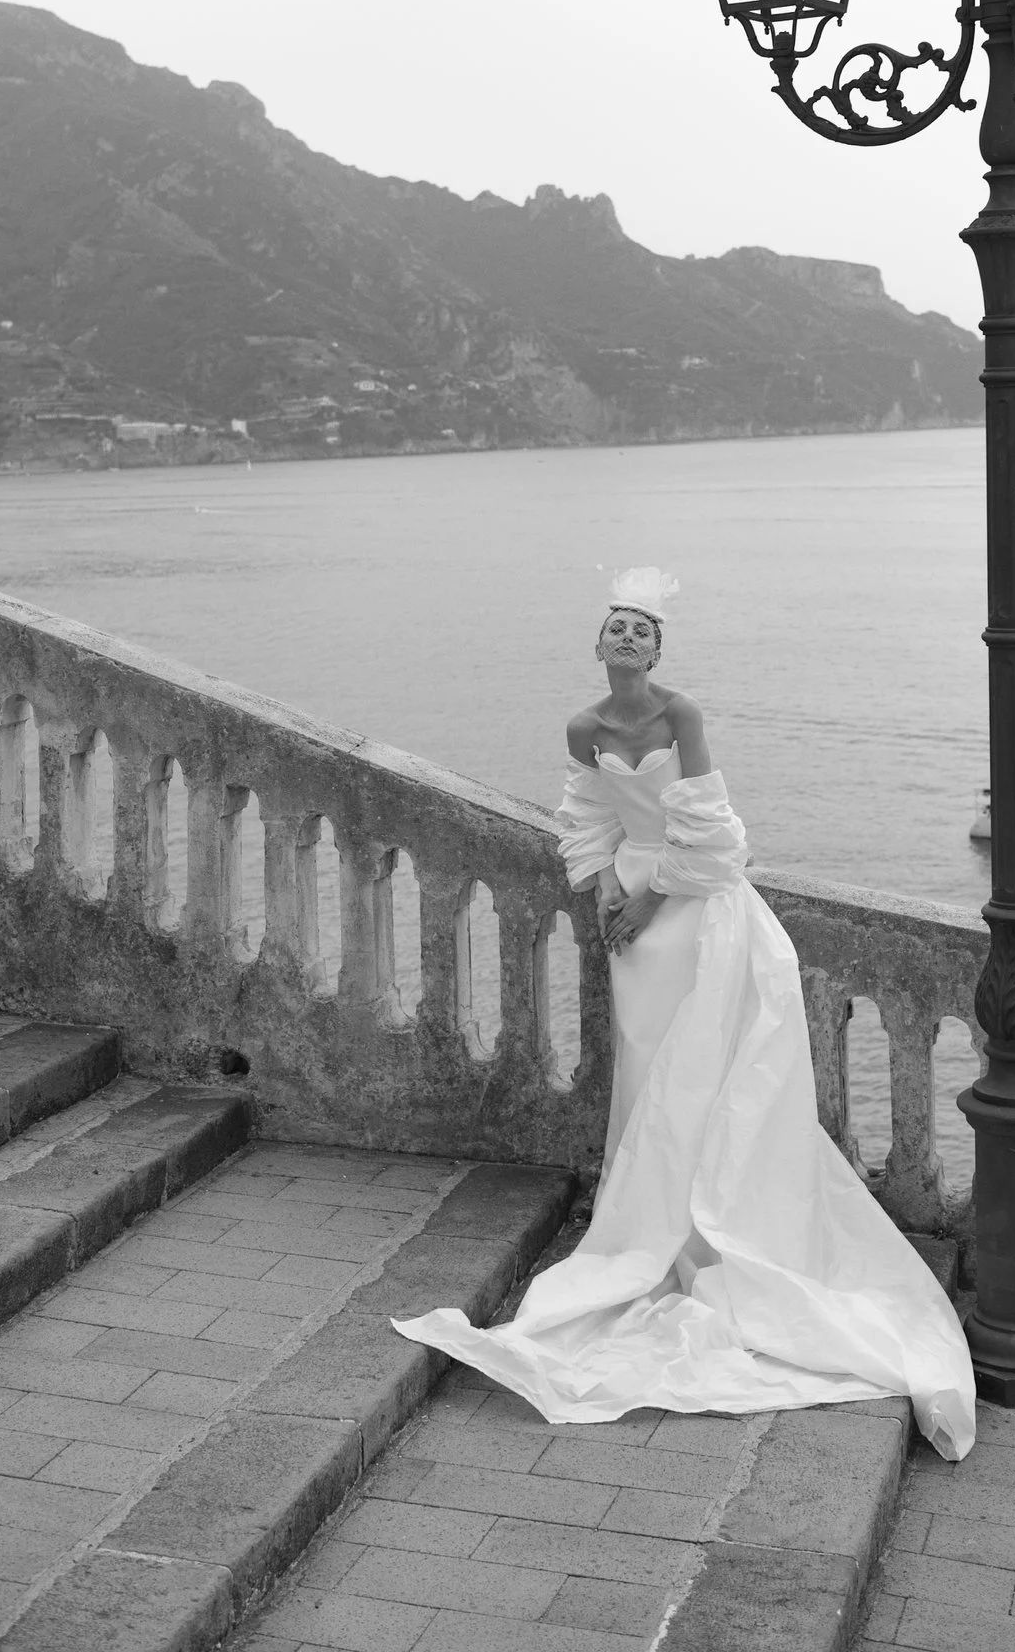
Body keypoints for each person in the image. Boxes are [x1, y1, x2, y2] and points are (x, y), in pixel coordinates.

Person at [394, 568, 976, 1460]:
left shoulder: (683, 717)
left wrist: (648, 904)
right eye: (614, 627)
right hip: (634, 917)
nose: (627, 638)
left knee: (709, 1068)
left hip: (699, 909)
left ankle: (718, 1224)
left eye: (641, 630)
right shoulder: (584, 726)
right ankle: (654, 1217)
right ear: (598, 645)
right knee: (650, 1063)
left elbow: (716, 834)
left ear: (658, 649)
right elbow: (588, 816)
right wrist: (599, 900)